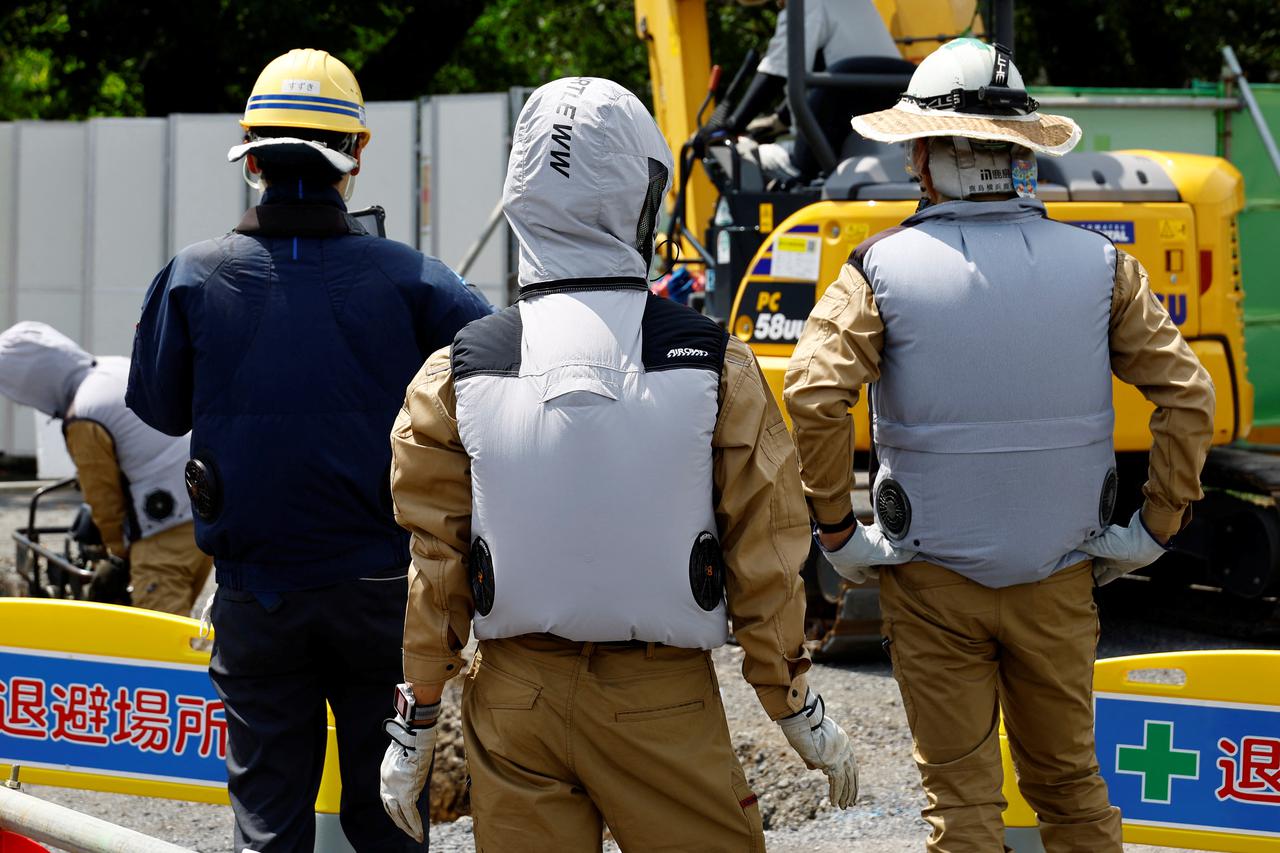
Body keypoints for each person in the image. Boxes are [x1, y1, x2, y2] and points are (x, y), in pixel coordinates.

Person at [377, 76, 858, 850]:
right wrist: (792, 699)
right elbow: (765, 552)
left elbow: (435, 567)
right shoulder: (713, 363)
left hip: (515, 699)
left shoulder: (456, 371)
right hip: (659, 697)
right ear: (646, 192)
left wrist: (417, 720)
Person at [783, 39, 1216, 852]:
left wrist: (839, 533)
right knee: (1072, 790)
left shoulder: (877, 270)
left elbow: (812, 394)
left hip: (931, 580)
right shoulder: (1103, 265)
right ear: (1022, 150)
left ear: (925, 153)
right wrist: (1155, 527)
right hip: (1060, 576)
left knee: (963, 803)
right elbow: (1188, 394)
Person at [127, 48, 490, 852]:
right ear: (355, 155)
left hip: (259, 598)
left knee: (269, 819)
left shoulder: (191, 278)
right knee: (389, 814)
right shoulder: (417, 281)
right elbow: (504, 383)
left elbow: (157, 405)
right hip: (383, 597)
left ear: (250, 156)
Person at [0, 321, 211, 614]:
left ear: (31, 384)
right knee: (183, 630)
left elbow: (104, 499)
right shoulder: (114, 369)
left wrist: (116, 555)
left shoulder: (83, 415)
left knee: (156, 641)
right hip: (201, 511)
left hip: (163, 530)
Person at [727, 0, 914, 183]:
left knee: (741, 157)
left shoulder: (802, 5)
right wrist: (780, 119)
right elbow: (823, 74)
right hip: (887, 128)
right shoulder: (859, 4)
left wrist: (727, 126)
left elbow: (773, 75)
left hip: (833, 146)